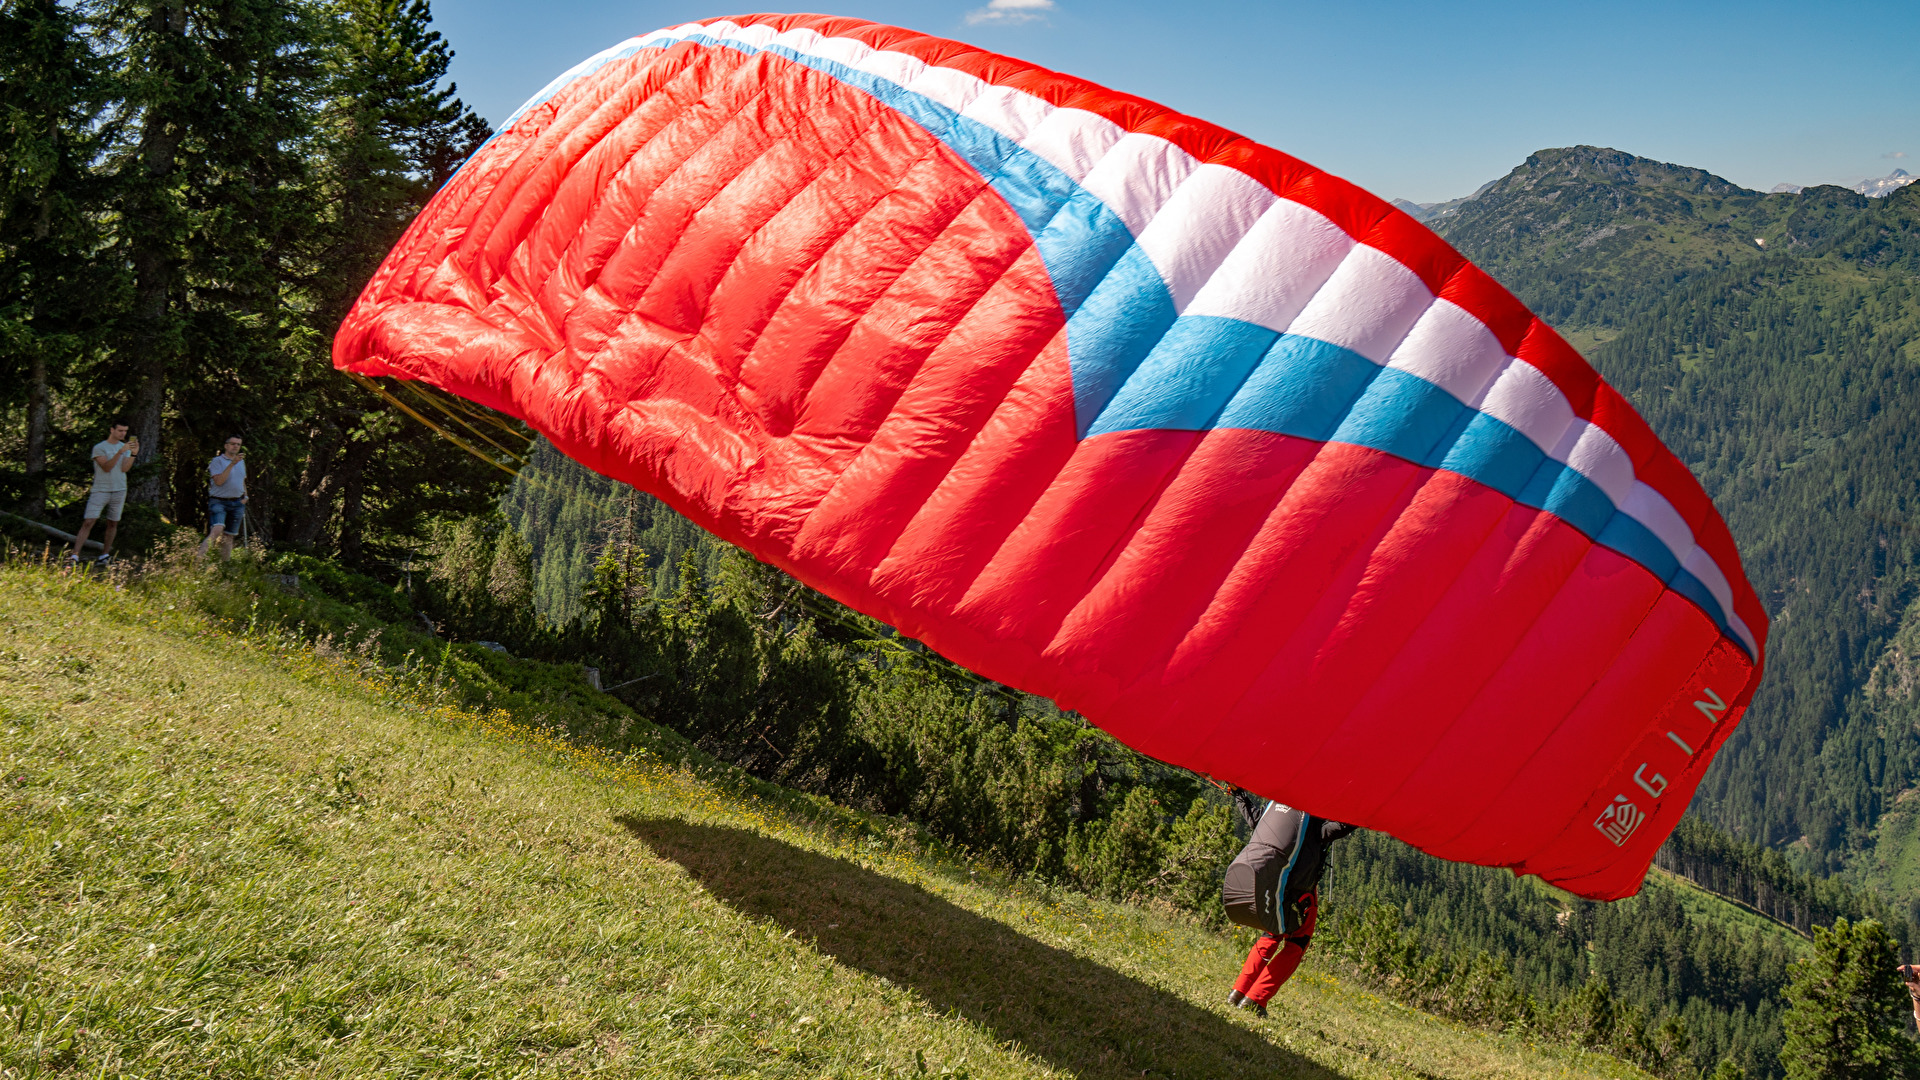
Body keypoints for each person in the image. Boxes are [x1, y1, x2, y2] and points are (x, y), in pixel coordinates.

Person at [1221, 800, 1358, 1017]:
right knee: (1296, 943)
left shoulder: (1279, 809)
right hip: (1300, 894)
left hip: (1275, 885)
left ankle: (1238, 993)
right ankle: (1255, 999)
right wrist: (1364, 813)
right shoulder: (1314, 825)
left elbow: (1255, 819)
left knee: (1271, 936)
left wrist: (1238, 795)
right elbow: (1339, 827)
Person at [70, 420, 138, 564]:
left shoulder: (124, 447)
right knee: (89, 521)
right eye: (120, 430)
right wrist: (120, 452)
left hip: (119, 489)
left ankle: (104, 555)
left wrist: (133, 454)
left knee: (113, 523)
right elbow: (106, 467)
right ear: (112, 430)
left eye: (125, 431)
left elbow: (124, 469)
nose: (123, 434)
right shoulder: (100, 448)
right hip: (101, 490)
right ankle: (75, 555)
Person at [199, 435, 248, 559]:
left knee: (229, 536)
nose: (235, 446)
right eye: (233, 444)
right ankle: (198, 560)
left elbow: (242, 480)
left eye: (238, 444)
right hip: (219, 501)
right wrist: (231, 464)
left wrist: (245, 496)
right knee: (217, 529)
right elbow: (219, 481)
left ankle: (224, 567)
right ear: (226, 446)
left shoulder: (241, 461)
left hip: (237, 502)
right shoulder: (217, 461)